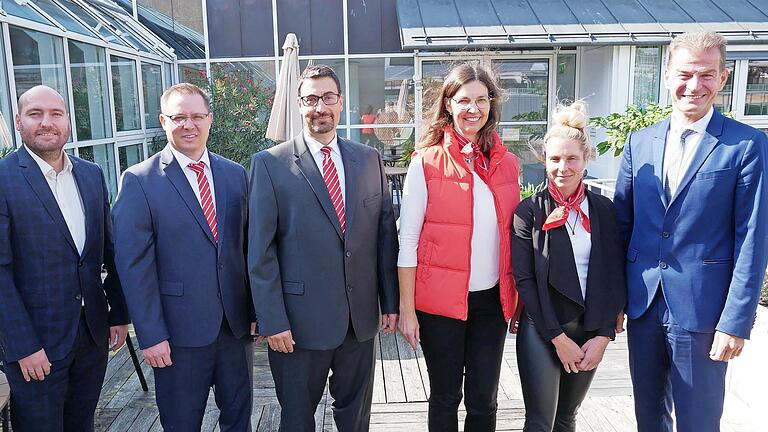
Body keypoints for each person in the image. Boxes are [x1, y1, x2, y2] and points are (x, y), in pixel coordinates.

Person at [614, 31, 768, 432]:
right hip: (644, 305)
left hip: (704, 312)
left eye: (706, 75)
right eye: (685, 74)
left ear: (723, 78)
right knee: (649, 417)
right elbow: (622, 226)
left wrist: (736, 321)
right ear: (667, 75)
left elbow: (753, 237)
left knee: (699, 421)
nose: (694, 85)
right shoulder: (639, 142)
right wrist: (613, 300)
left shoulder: (746, 145)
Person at [248, 64, 399, 432]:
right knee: (297, 421)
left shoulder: (368, 160)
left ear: (340, 102)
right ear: (300, 105)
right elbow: (260, 252)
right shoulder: (270, 164)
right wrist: (272, 321)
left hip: (359, 322)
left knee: (356, 420)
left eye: (327, 97)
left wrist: (390, 303)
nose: (320, 107)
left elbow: (384, 239)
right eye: (311, 99)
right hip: (298, 327)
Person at [112, 83, 255, 431]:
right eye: (179, 117)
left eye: (196, 116)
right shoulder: (139, 180)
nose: (189, 125)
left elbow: (248, 251)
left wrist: (256, 312)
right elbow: (134, 268)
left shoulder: (235, 175)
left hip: (235, 329)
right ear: (163, 121)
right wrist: (150, 335)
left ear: (210, 120)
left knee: (239, 420)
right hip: (176, 335)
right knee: (181, 423)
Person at [397, 62, 521, 432]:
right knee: (446, 397)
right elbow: (407, 241)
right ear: (448, 104)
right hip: (439, 304)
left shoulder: (509, 164)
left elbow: (513, 237)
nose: (473, 109)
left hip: (491, 302)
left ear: (492, 104)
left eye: (482, 100)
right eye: (464, 100)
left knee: (484, 400)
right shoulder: (426, 162)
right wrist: (407, 309)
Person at [0, 85, 130, 431]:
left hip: (92, 337)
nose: (47, 122)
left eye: (56, 114)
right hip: (36, 346)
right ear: (19, 121)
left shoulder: (91, 175)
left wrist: (118, 313)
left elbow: (109, 250)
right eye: (35, 114)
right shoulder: (3, 179)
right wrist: (22, 346)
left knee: (81, 423)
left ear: (68, 121)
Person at [511, 101, 626, 432]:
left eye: (572, 158)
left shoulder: (605, 211)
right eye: (555, 159)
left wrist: (604, 334)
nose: (563, 167)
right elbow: (525, 280)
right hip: (542, 328)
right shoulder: (528, 212)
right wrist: (557, 338)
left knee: (567, 418)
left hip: (590, 330)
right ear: (544, 161)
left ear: (586, 159)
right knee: (540, 421)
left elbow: (615, 276)